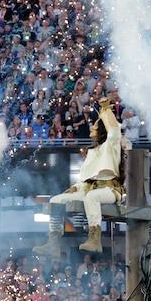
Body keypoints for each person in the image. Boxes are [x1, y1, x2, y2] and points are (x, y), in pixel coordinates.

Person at [33, 96, 126, 256]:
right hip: (89, 189)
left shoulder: (111, 146)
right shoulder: (91, 152)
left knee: (92, 197)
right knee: (56, 200)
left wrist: (106, 110)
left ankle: (95, 240)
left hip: (110, 190)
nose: (92, 129)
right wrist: (75, 187)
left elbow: (115, 131)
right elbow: (86, 180)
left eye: (95, 126)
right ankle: (53, 242)